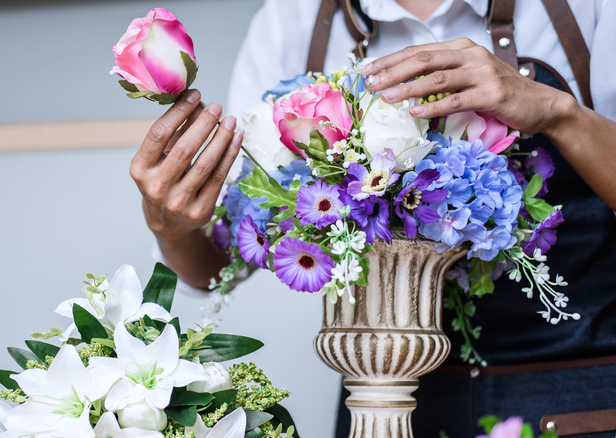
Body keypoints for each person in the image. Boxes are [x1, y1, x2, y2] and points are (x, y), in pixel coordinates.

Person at [129, 0, 616, 436]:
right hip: (373, 407)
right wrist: (169, 227)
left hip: (580, 407)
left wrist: (558, 112)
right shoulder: (292, 19)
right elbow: (220, 262)